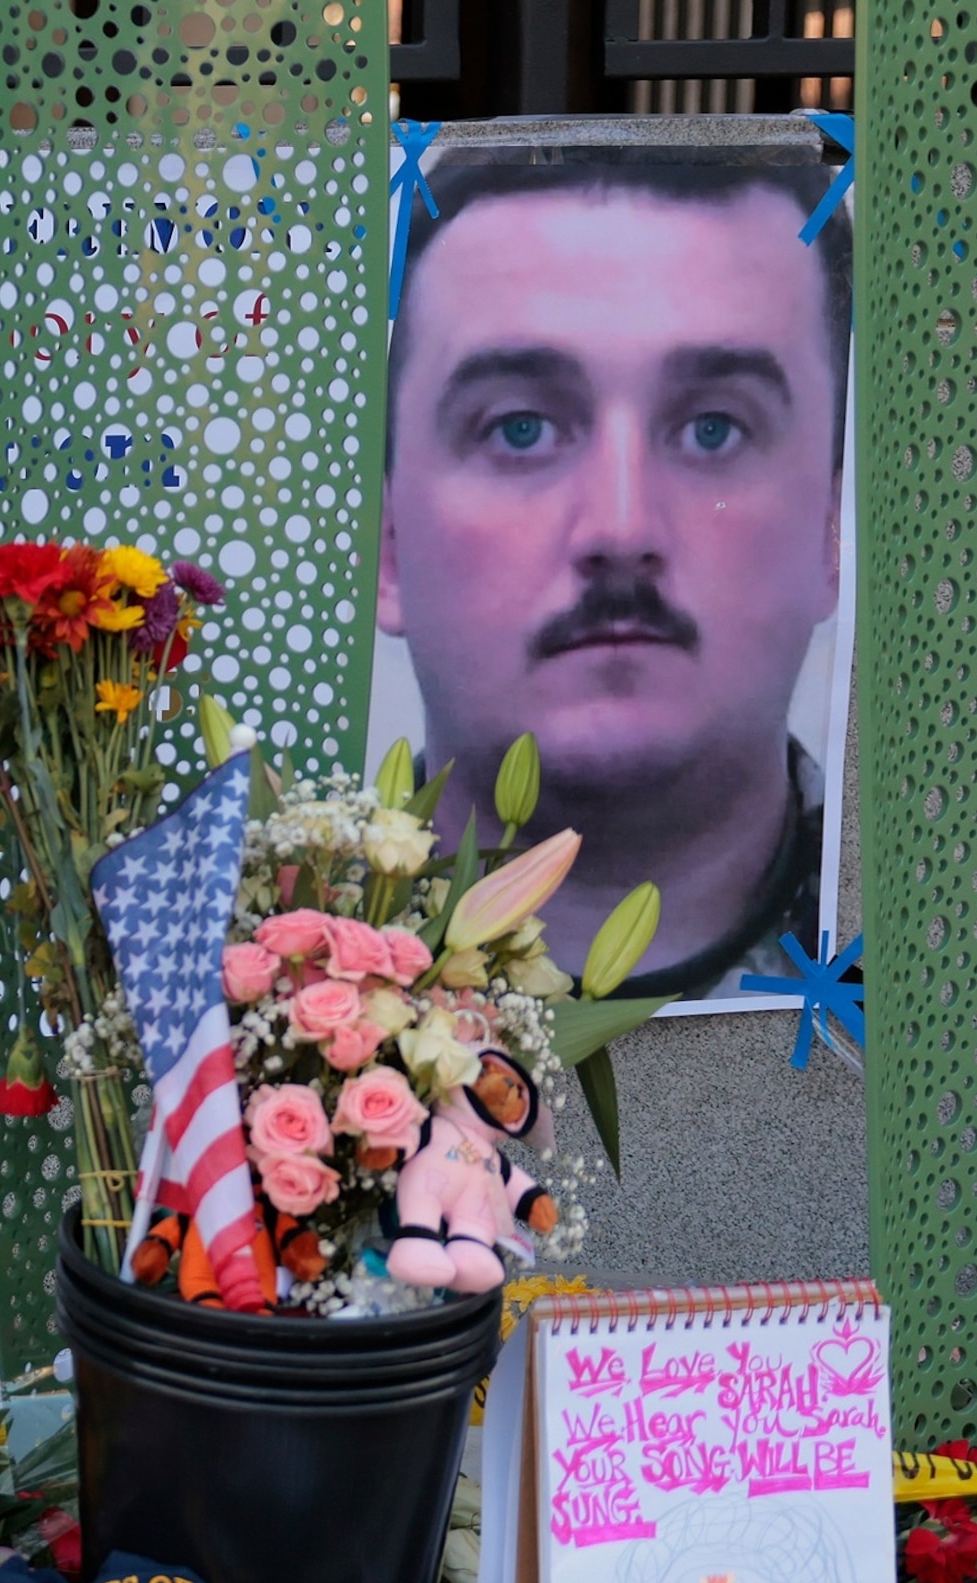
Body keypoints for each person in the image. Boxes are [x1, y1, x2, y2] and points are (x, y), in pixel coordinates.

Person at [380, 151, 849, 999]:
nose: (622, 529)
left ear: (830, 532)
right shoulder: (216, 994)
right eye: (519, 428)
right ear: (386, 551)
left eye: (714, 429)